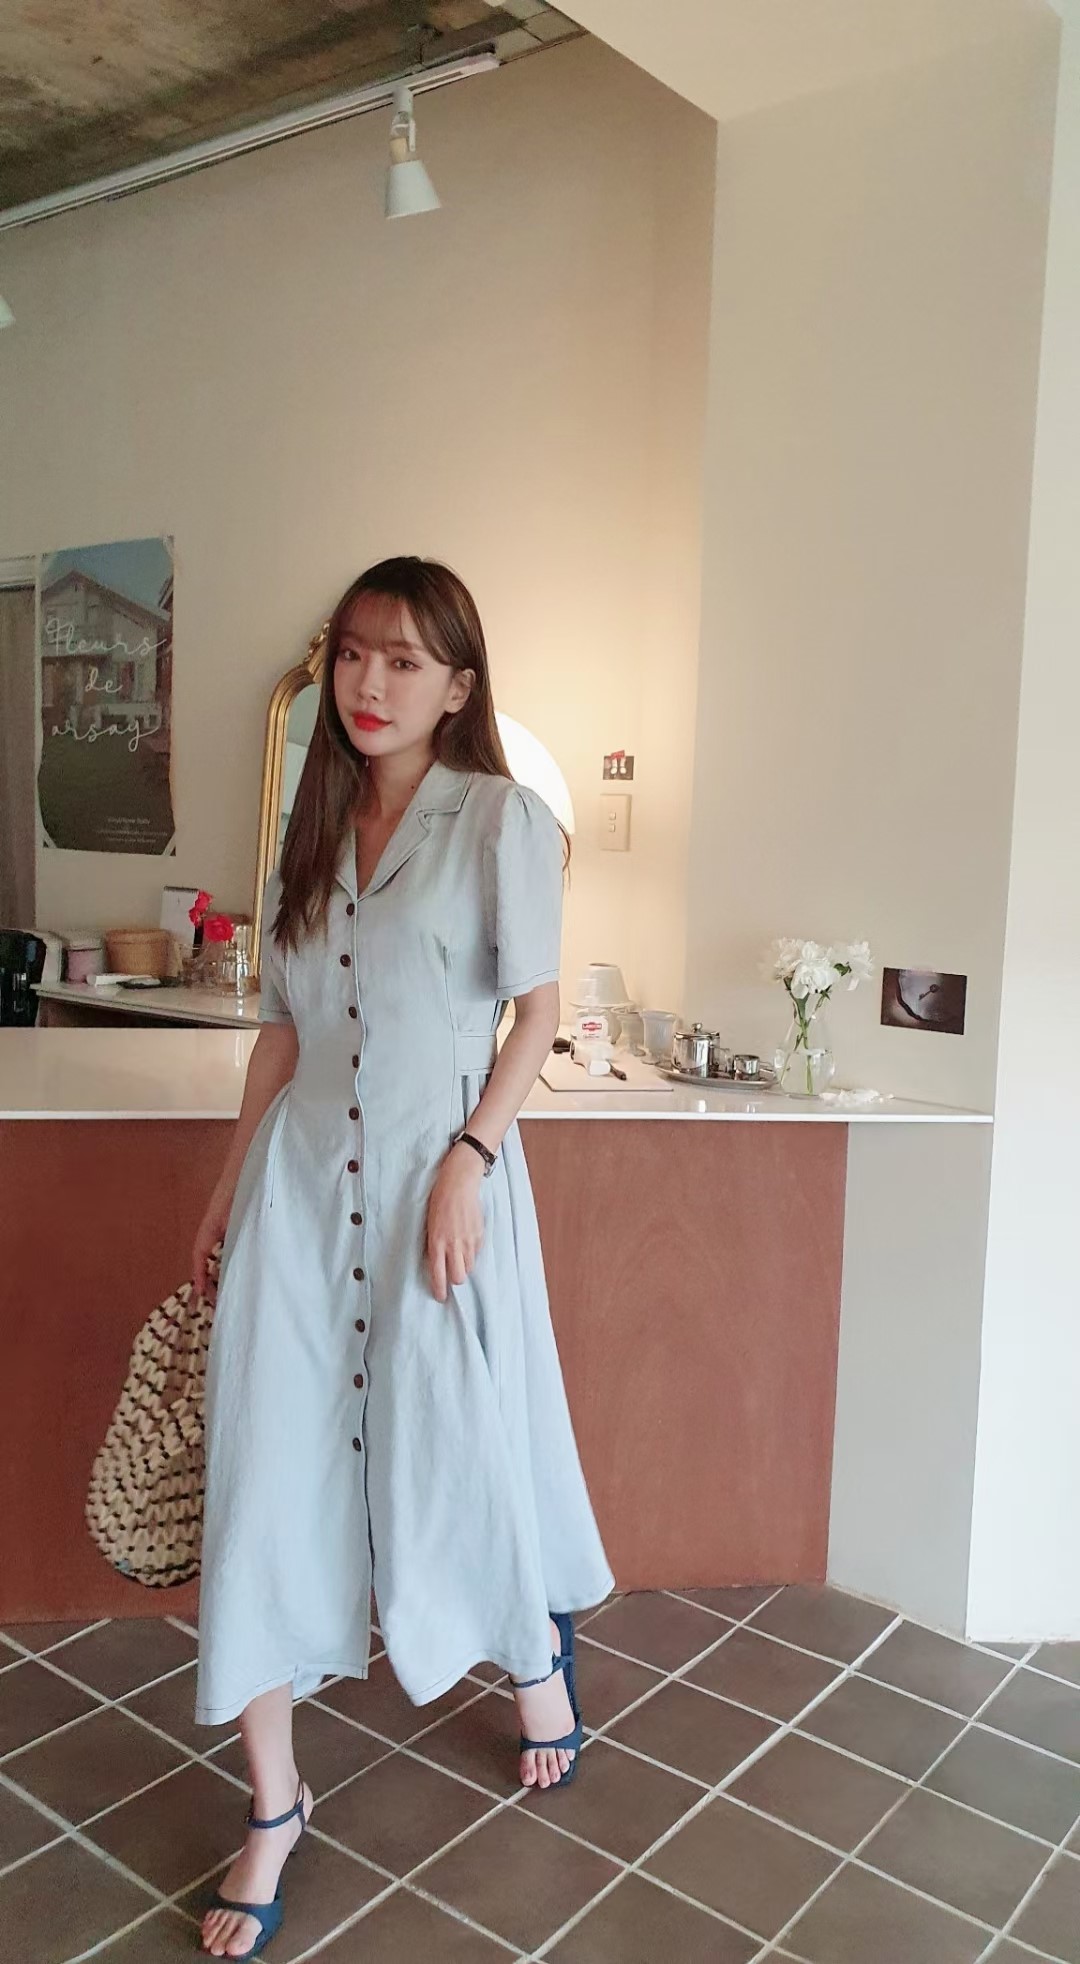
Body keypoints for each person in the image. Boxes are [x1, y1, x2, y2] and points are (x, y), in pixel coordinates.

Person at [193, 557, 613, 1961]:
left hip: (445, 1191)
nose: (370, 684)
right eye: (355, 655)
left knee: (461, 1442)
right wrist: (225, 1189)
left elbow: (535, 1014)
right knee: (264, 1474)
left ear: (457, 685)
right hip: (300, 1199)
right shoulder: (306, 830)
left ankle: (533, 1657)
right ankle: (273, 1802)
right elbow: (284, 1029)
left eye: (406, 661)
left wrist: (470, 1160)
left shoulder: (500, 817)